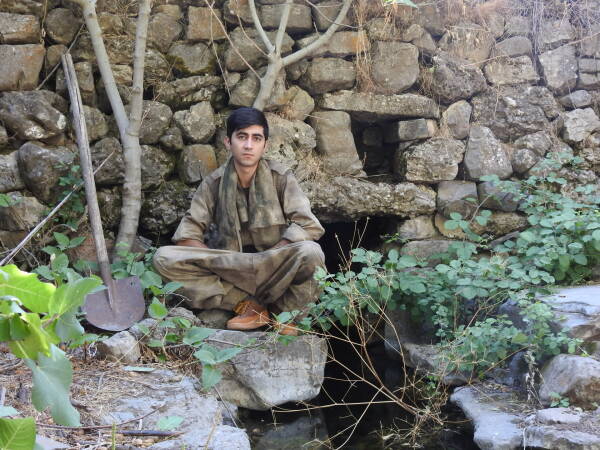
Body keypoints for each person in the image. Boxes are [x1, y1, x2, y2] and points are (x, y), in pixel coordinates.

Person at [153, 107, 325, 335]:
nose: (248, 145)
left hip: (273, 265)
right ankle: (247, 305)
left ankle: (285, 314)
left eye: (256, 138)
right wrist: (216, 262)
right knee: (163, 258)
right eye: (242, 137)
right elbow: (187, 236)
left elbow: (309, 225)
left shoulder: (281, 178)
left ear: (265, 145)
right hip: (232, 267)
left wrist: (273, 254)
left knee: (312, 253)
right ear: (228, 142)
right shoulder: (213, 184)